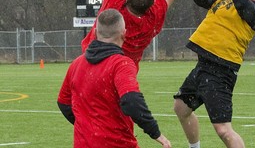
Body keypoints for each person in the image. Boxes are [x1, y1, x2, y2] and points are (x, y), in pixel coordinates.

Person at [173, 0, 255, 148]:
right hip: (204, 66)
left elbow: (243, 3)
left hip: (221, 70)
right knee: (181, 107)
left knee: (223, 129)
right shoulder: (226, 0)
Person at [57, 9, 171, 148]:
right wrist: (156, 133)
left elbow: (63, 103)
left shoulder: (76, 64)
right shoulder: (121, 64)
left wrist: (88, 127)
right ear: (124, 34)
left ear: (94, 33)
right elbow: (131, 101)